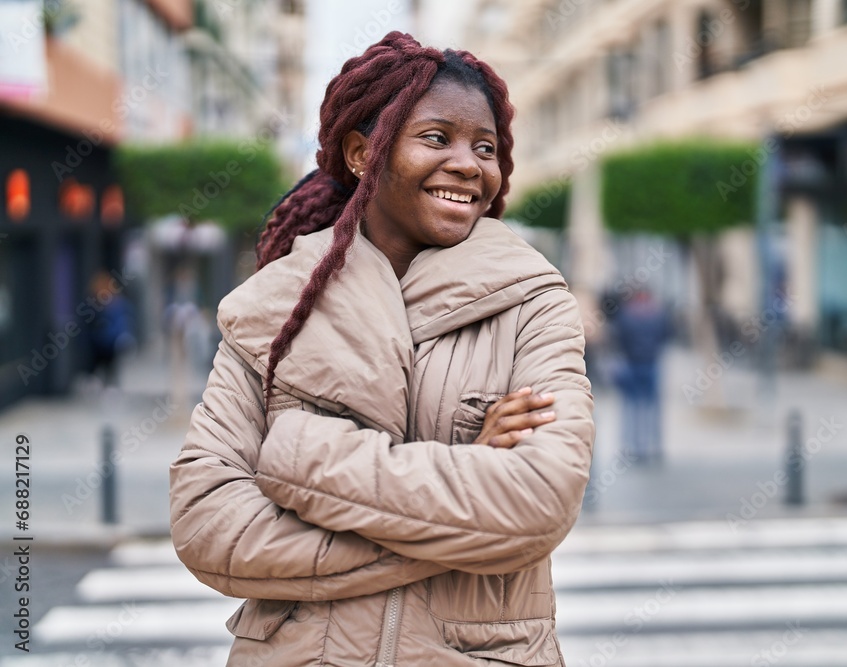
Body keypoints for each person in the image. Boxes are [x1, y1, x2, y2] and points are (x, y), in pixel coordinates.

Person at [168, 32, 594, 666]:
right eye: (436, 137)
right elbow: (209, 523)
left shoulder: (534, 303)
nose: (469, 164)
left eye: (486, 147)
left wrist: (299, 461)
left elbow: (538, 499)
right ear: (365, 153)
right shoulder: (275, 307)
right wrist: (463, 491)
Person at [612, 288, 671, 463]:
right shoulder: (658, 314)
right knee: (651, 408)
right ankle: (653, 446)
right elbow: (666, 335)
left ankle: (631, 447)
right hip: (651, 363)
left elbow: (619, 338)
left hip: (632, 364)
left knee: (631, 408)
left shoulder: (626, 315)